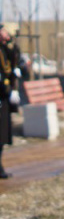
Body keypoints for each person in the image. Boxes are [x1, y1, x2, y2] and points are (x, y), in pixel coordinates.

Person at [0, 25, 23, 179]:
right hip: (2, 94)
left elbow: (13, 63)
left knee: (1, 137)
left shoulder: (7, 48)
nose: (6, 34)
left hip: (4, 97)